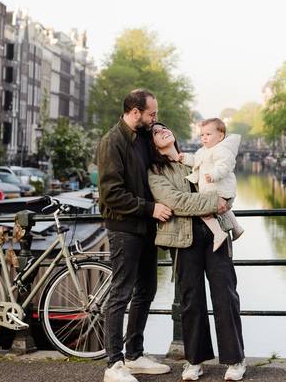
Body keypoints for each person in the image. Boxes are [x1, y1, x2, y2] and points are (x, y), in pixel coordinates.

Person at [148, 122, 246, 382]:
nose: (163, 130)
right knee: (192, 301)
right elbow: (177, 202)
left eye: (165, 127)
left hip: (217, 234)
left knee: (225, 295)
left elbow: (227, 187)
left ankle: (235, 359)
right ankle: (195, 360)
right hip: (183, 238)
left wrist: (222, 200)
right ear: (153, 144)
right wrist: (214, 202)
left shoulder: (200, 156)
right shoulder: (156, 171)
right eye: (156, 132)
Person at [97, 89, 173, 382]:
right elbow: (112, 194)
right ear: (135, 112)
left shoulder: (143, 138)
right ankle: (113, 365)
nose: (156, 118)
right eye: (151, 113)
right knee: (120, 294)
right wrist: (151, 208)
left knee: (147, 290)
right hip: (125, 229)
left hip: (146, 228)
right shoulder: (112, 142)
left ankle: (134, 355)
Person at [180, 118, 244, 252]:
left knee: (204, 211)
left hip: (220, 189)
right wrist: (185, 158)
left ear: (220, 136)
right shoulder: (203, 150)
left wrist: (214, 174)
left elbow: (225, 165)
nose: (204, 138)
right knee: (224, 209)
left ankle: (218, 233)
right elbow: (196, 161)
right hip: (214, 190)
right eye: (202, 135)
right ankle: (237, 228)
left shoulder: (221, 150)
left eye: (208, 135)